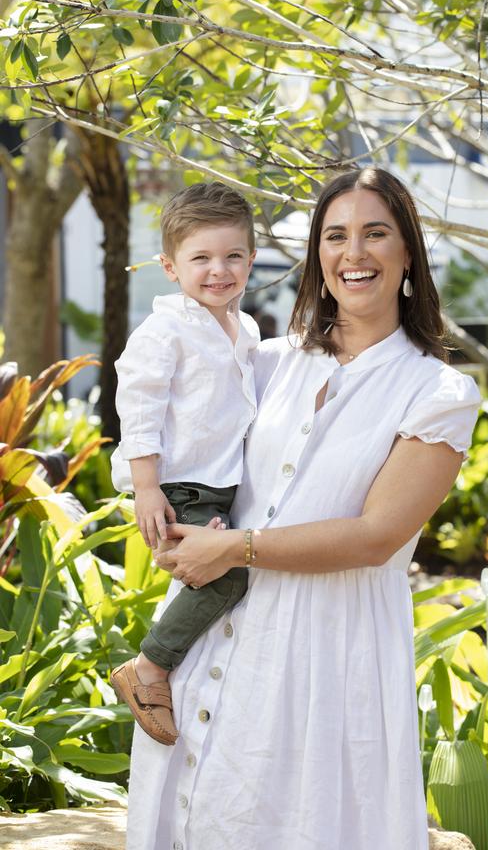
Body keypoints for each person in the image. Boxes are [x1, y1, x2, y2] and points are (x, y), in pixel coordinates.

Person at [125, 167, 481, 850]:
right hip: (206, 650)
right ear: (317, 254)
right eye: (335, 236)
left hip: (325, 665)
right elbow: (178, 437)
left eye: (376, 234)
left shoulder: (437, 392)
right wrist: (161, 513)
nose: (354, 253)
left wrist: (233, 548)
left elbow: (376, 536)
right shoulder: (265, 360)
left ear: (408, 253)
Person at [109, 183, 259, 746]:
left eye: (233, 256)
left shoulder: (245, 329)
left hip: (221, 484)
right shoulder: (165, 330)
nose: (219, 270)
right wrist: (146, 488)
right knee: (229, 576)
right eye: (201, 258)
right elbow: (139, 408)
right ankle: (149, 669)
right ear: (171, 267)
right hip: (181, 486)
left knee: (224, 576)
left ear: (249, 257)